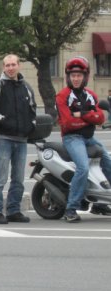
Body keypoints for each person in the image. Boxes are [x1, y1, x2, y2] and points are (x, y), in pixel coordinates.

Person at [0, 54, 36, 225]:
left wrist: (31, 125)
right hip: (3, 138)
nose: (10, 68)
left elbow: (33, 110)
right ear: (3, 67)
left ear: (19, 66)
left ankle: (13, 210)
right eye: (7, 65)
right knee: (0, 178)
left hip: (21, 140)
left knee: (19, 179)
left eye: (13, 64)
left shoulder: (26, 87)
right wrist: (1, 119)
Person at [56, 56, 111, 222]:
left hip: (89, 137)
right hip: (72, 138)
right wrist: (90, 117)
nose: (76, 78)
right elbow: (68, 123)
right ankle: (71, 209)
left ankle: (101, 201)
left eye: (79, 75)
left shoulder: (91, 95)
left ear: (85, 76)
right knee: (83, 168)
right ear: (68, 77)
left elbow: (100, 118)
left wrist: (81, 114)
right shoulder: (62, 96)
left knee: (108, 161)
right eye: (73, 75)